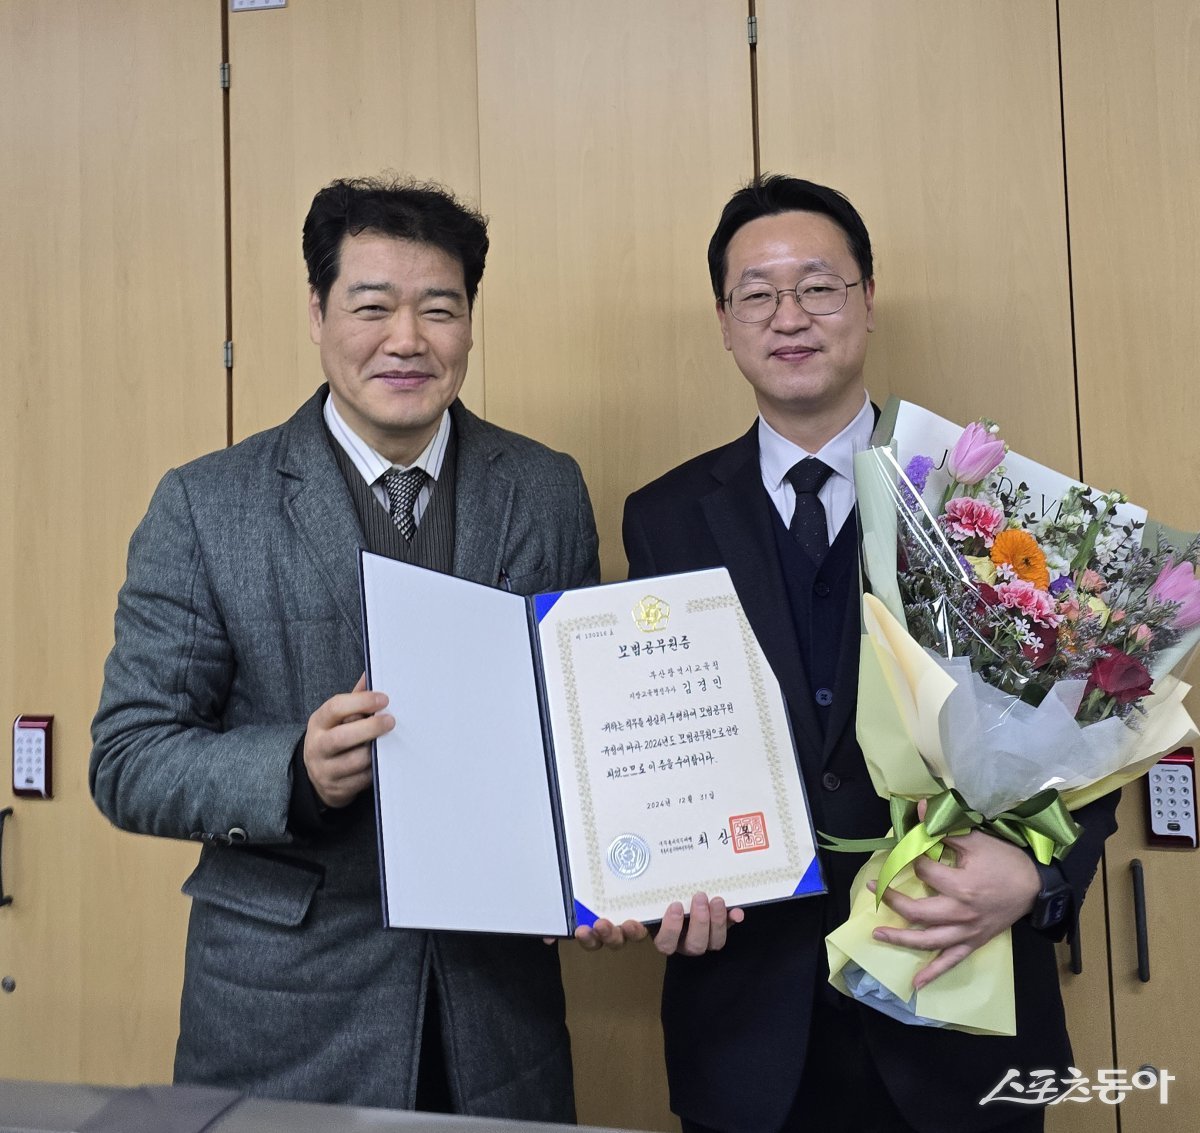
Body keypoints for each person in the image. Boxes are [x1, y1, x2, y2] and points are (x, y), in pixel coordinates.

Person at [591, 175, 1119, 1133]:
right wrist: (643, 872)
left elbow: (1092, 720)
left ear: (867, 303)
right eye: (757, 292)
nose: (788, 315)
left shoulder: (976, 496)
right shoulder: (663, 515)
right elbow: (652, 735)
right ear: (724, 320)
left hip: (959, 1013)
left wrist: (1040, 876)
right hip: (748, 1029)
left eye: (819, 286)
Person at [90, 175, 599, 1120]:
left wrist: (622, 860)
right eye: (373, 306)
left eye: (439, 309)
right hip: (286, 1012)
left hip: (495, 1012)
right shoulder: (207, 505)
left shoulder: (545, 488)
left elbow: (583, 726)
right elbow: (128, 758)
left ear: (470, 324)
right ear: (319, 312)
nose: (407, 339)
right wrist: (294, 767)